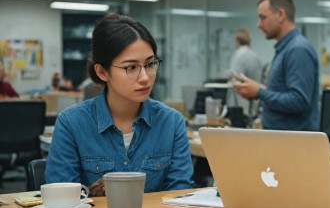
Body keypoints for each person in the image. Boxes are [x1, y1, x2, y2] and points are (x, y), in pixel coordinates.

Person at [46, 14, 194, 195]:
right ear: (102, 72)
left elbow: (180, 196)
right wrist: (92, 194)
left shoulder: (172, 122)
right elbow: (62, 199)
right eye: (131, 67)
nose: (145, 77)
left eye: (150, 64)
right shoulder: (71, 123)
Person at [233, 0, 320, 131]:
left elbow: (299, 101)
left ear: (280, 15)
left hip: (292, 145)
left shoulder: (298, 49)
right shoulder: (284, 49)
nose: (259, 25)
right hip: (280, 140)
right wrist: (256, 89)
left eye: (263, 18)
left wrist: (259, 93)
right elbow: (283, 94)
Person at [229, 28, 263, 118]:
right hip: (255, 104)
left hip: (240, 105)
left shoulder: (238, 55)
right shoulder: (256, 56)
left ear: (237, 41)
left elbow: (234, 80)